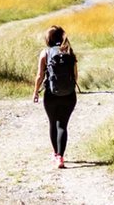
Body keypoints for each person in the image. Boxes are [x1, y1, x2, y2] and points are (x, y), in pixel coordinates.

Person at [32, 25, 79, 168]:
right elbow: (76, 75)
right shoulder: (69, 52)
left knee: (53, 123)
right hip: (69, 95)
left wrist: (35, 92)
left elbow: (40, 76)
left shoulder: (45, 53)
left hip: (51, 94)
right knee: (63, 125)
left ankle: (55, 154)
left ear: (49, 38)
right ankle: (60, 157)